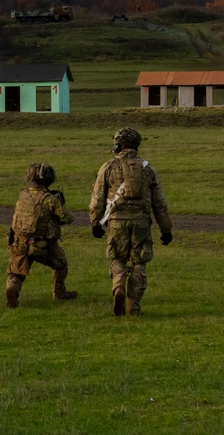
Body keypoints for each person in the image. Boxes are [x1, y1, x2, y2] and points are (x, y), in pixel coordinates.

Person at [89, 127, 172, 316]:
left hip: (116, 222)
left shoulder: (108, 167)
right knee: (138, 263)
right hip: (141, 222)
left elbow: (97, 198)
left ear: (119, 144)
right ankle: (133, 306)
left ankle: (118, 286)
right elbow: (160, 204)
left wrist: (95, 222)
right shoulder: (148, 169)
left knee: (117, 258)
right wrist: (166, 230)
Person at [5, 163, 78, 308]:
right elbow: (67, 218)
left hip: (19, 242)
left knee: (16, 272)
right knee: (61, 264)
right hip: (42, 245)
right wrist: (61, 203)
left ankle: (12, 289)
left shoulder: (23, 194)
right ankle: (59, 292)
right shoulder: (50, 199)